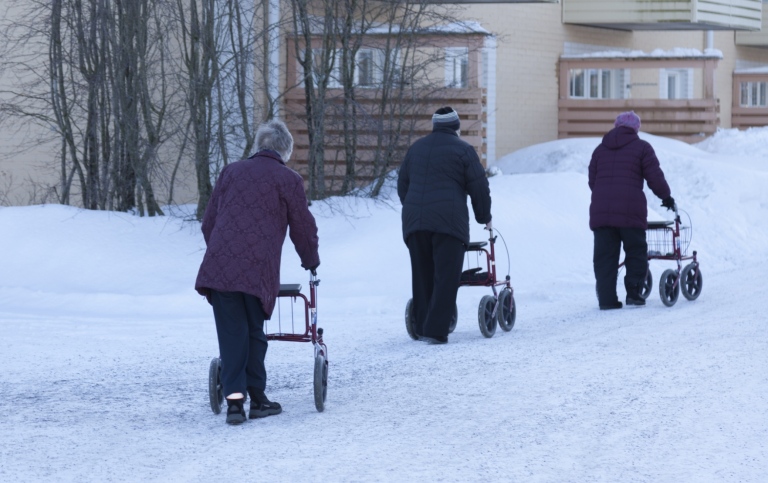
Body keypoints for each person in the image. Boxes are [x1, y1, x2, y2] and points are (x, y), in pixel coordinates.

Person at [195, 120, 320, 425]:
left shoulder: (230, 171)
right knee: (253, 332)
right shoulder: (288, 179)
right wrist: (311, 260)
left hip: (221, 267)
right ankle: (259, 399)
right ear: (285, 150)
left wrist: (223, 253)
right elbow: (302, 227)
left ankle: (235, 403)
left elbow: (208, 222)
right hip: (257, 269)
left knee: (231, 333)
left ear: (259, 145)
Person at [397, 106, 492, 344]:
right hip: (448, 224)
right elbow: (479, 188)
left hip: (415, 223)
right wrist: (485, 217)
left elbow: (403, 186)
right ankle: (436, 330)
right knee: (446, 277)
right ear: (456, 126)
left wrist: (416, 209)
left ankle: (421, 325)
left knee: (422, 275)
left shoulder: (416, 149)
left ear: (435, 125)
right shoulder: (464, 151)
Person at [588, 111, 674, 310]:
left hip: (601, 214)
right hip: (630, 211)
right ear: (636, 128)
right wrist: (666, 197)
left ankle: (607, 300)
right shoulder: (642, 148)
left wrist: (605, 197)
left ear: (616, 126)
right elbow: (655, 177)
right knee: (635, 250)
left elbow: (593, 181)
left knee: (605, 257)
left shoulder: (600, 150)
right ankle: (634, 294)